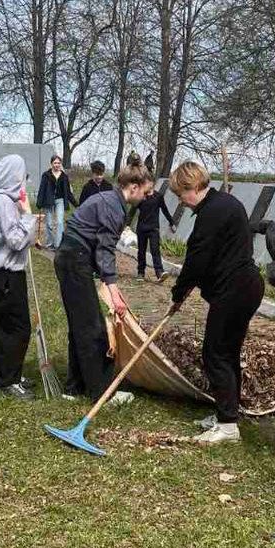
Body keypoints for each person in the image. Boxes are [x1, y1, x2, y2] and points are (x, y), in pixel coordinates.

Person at [169, 161, 264, 446]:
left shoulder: (211, 212)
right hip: (246, 287)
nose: (181, 202)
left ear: (192, 186)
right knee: (228, 352)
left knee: (215, 354)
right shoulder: (225, 203)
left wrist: (179, 291)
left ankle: (227, 425)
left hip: (234, 290)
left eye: (180, 194)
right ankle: (228, 414)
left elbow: (197, 259)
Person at [55, 164, 155, 403]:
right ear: (133, 187)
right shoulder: (114, 208)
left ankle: (75, 387)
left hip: (69, 258)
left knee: (80, 325)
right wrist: (113, 290)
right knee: (93, 328)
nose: (148, 196)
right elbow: (105, 250)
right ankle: (101, 392)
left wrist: (110, 285)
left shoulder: (109, 199)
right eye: (146, 191)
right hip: (75, 260)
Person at [0, 155, 40, 400]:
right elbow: (16, 240)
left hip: (2, 274)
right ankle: (7, 382)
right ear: (13, 176)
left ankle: (11, 374)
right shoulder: (4, 203)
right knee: (15, 328)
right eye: (22, 176)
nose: (23, 182)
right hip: (6, 275)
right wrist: (27, 215)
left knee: (6, 325)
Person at [130, 183, 176, 281]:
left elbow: (165, 210)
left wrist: (172, 223)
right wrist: (126, 223)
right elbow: (133, 209)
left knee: (155, 250)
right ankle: (140, 273)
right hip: (142, 228)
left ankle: (159, 273)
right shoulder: (141, 196)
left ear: (152, 183)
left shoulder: (158, 196)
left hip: (153, 228)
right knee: (141, 251)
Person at [35, 154, 78, 249]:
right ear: (51, 164)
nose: (57, 165)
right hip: (48, 201)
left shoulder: (64, 177)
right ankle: (50, 243)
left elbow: (68, 192)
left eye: (58, 163)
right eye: (55, 163)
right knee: (49, 224)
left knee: (59, 222)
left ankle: (58, 245)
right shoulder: (46, 175)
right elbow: (42, 189)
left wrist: (76, 204)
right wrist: (39, 202)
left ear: (60, 164)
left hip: (60, 201)